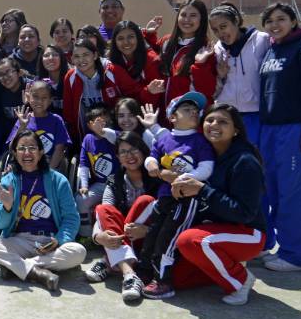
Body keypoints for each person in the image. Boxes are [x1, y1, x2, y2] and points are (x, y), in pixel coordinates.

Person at [165, 103, 268, 306]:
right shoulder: (206, 155)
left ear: (235, 130)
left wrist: (202, 190)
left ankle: (241, 280)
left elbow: (244, 213)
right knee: (176, 279)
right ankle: (226, 266)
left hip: (248, 233)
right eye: (210, 120)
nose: (214, 125)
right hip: (217, 229)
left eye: (223, 122)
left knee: (191, 241)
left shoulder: (245, 161)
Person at [257, 2, 301, 273]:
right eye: (270, 21)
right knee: (272, 189)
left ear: (293, 21)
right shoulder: (272, 50)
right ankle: (280, 246)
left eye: (281, 19)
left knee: (294, 193)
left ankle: (295, 254)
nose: (275, 25)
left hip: (296, 130)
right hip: (269, 130)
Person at [0, 130, 86, 291]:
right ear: (15, 153)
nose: (27, 153)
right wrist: (7, 206)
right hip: (19, 241)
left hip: (49, 241)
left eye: (32, 148)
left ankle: (17, 267)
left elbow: (71, 218)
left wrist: (59, 240)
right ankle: (37, 273)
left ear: (41, 152)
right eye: (21, 148)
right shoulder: (8, 180)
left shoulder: (58, 180)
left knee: (78, 252)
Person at [139, 91, 216, 299]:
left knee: (169, 238)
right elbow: (151, 157)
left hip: (186, 200)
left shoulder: (200, 141)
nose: (193, 113)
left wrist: (182, 178)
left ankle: (164, 281)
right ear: (173, 117)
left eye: (195, 110)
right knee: (153, 234)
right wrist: (152, 164)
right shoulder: (165, 139)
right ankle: (145, 273)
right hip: (164, 198)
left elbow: (206, 168)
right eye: (186, 109)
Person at [87, 132, 161, 304]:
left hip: (148, 240)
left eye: (134, 150)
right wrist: (98, 237)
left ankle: (108, 261)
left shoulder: (157, 179)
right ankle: (129, 273)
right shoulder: (114, 180)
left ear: (143, 152)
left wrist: (148, 230)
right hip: (121, 238)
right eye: (123, 152)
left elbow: (168, 216)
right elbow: (104, 214)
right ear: (118, 157)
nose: (129, 156)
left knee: (145, 201)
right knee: (103, 207)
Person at [210, 3, 271, 146]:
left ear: (236, 21)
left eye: (224, 26)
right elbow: (213, 89)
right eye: (215, 30)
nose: (220, 33)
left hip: (256, 115)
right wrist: (221, 76)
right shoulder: (216, 50)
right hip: (226, 115)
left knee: (256, 160)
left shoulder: (262, 40)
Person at [157, 0, 217, 125]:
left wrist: (199, 65)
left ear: (202, 20)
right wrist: (148, 35)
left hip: (189, 120)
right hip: (165, 117)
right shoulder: (166, 42)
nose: (187, 20)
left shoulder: (206, 49)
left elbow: (208, 90)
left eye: (193, 15)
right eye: (183, 15)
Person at [6, 79, 70, 172]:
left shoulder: (56, 120)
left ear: (50, 100)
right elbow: (12, 148)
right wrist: (22, 126)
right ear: (29, 97)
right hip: (25, 164)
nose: (39, 101)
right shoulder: (23, 118)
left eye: (44, 98)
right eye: (35, 97)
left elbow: (59, 149)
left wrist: (49, 172)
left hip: (48, 165)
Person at [102, 21, 163, 110]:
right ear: (114, 41)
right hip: (120, 114)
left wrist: (148, 92)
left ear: (138, 38)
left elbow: (155, 96)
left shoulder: (151, 60)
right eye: (120, 38)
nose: (126, 42)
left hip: (148, 112)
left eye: (130, 37)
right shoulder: (109, 62)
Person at [0, 56, 28, 146]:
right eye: (1, 74)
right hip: (10, 138)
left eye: (8, 72)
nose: (5, 77)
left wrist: (29, 104)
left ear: (19, 72)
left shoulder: (30, 88)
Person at [37, 44, 69, 114]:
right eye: (46, 55)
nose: (51, 58)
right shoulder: (37, 83)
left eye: (55, 55)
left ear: (61, 58)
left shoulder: (71, 79)